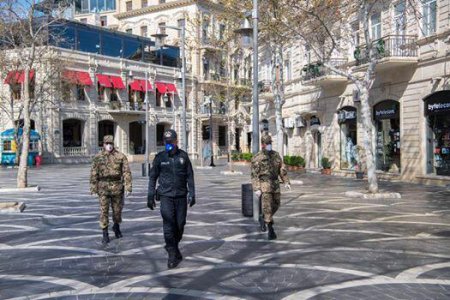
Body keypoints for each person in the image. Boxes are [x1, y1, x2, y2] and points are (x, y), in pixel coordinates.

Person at [147, 129, 195, 269]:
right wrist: (150, 195)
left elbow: (190, 176)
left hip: (180, 196)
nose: (169, 144)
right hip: (166, 196)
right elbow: (152, 177)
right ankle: (172, 253)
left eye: (171, 142)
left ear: (176, 141)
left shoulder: (183, 157)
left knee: (180, 224)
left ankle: (174, 246)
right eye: (166, 142)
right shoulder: (160, 158)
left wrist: (192, 193)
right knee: (168, 225)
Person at [90, 135, 132, 244]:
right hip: (103, 187)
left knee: (117, 211)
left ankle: (116, 226)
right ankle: (105, 233)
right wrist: (93, 189)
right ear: (103, 144)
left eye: (111, 143)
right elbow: (94, 174)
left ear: (113, 144)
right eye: (107, 143)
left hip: (117, 187)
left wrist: (128, 187)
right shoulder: (98, 157)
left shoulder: (120, 156)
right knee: (104, 211)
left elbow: (126, 172)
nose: (109, 145)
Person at [251, 133, 290, 240]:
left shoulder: (276, 155)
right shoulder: (257, 158)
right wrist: (256, 188)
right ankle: (270, 229)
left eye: (270, 143)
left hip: (275, 184)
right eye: (267, 143)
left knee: (277, 204)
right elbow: (254, 175)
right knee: (267, 207)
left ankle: (264, 218)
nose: (269, 145)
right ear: (262, 144)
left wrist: (286, 182)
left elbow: (282, 169)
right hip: (264, 185)